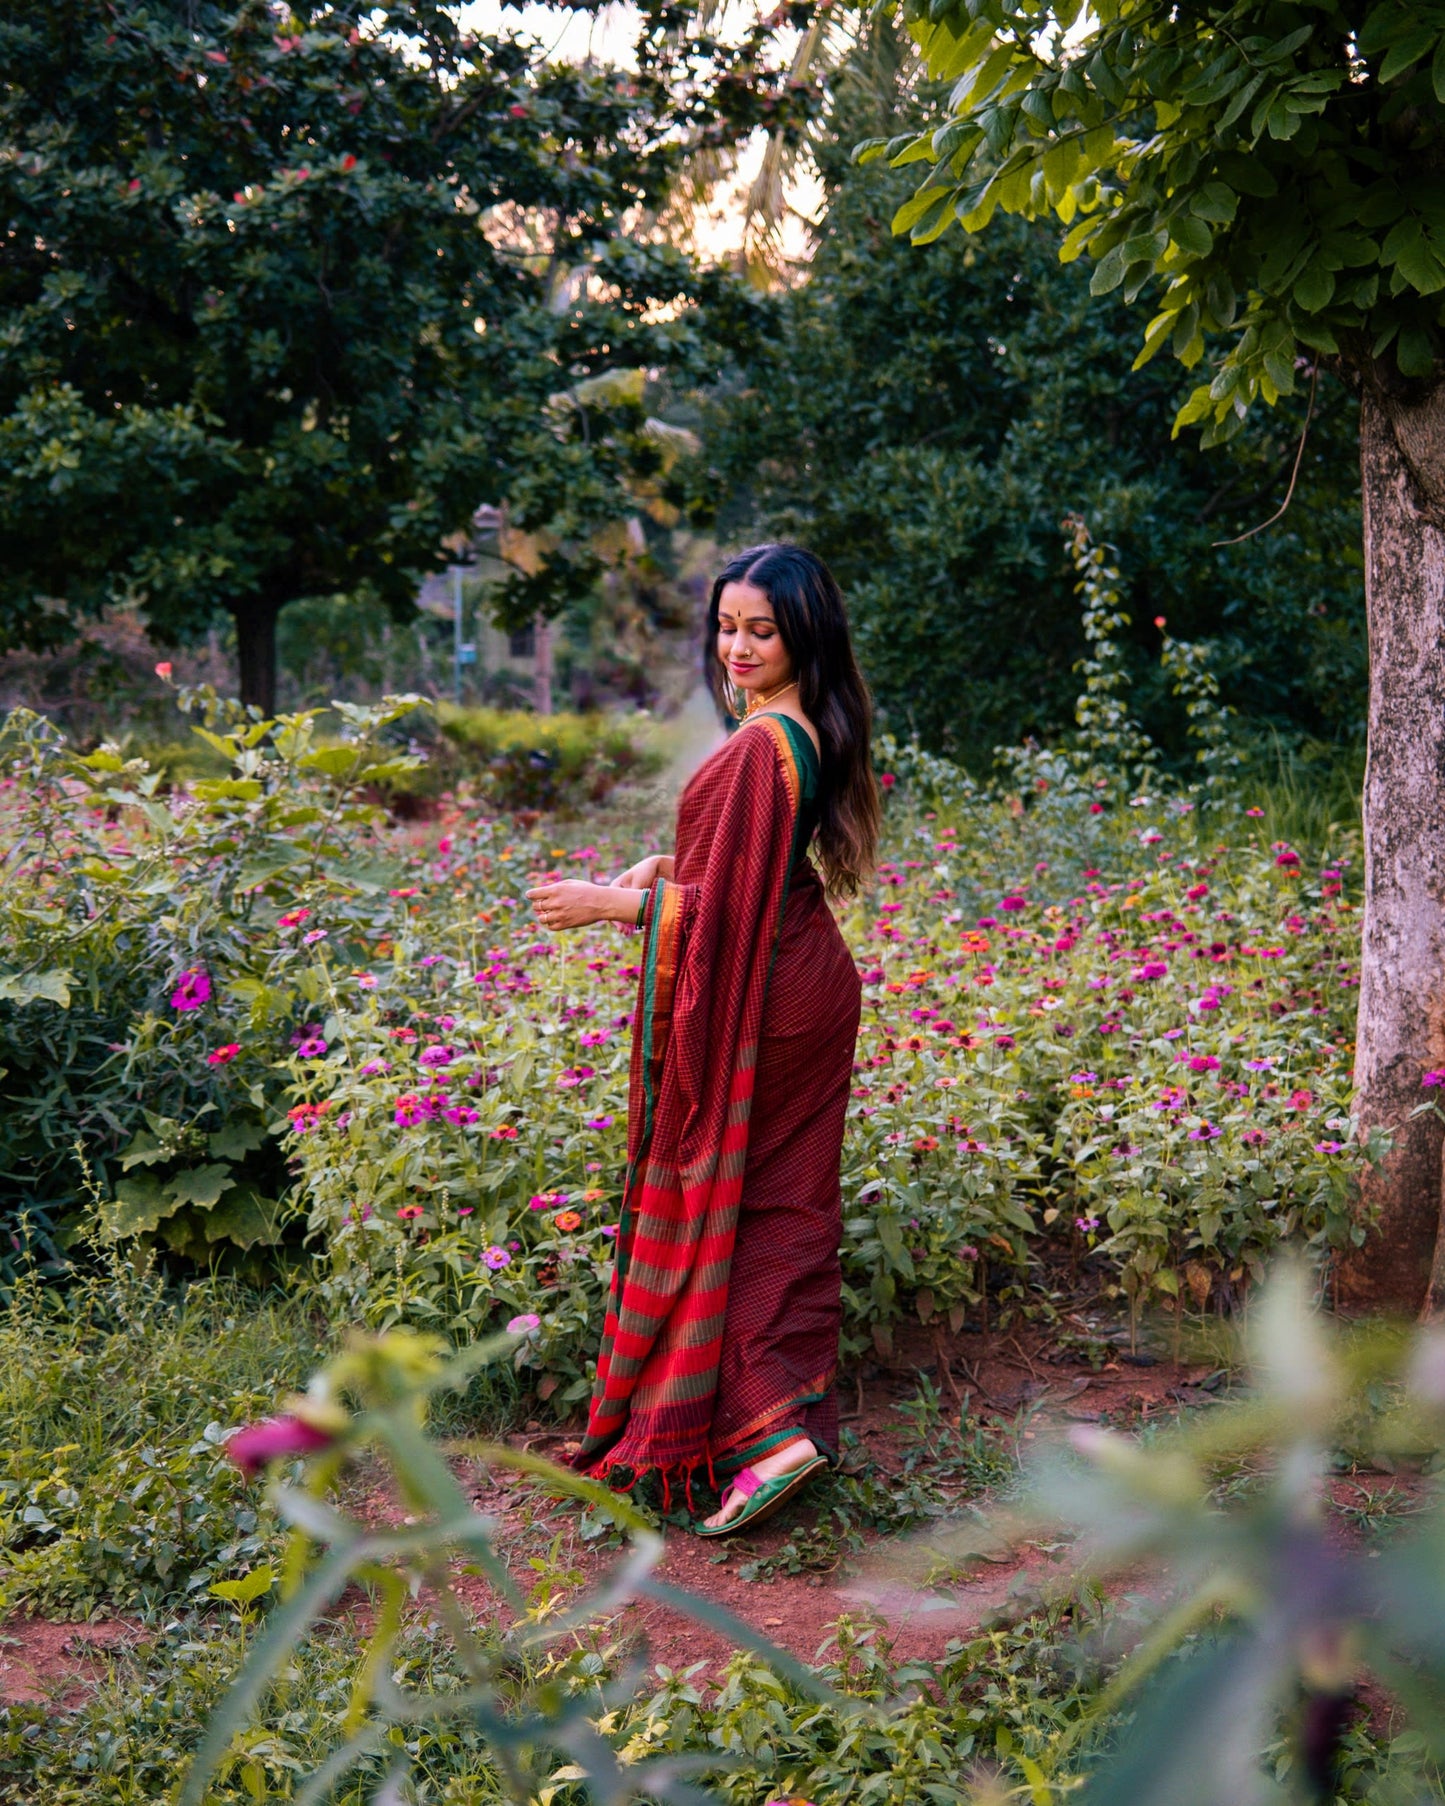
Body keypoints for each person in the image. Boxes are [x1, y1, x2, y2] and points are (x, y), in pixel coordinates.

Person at [526, 544, 878, 1536]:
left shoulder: (768, 744)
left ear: (802, 634)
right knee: (778, 1198)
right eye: (724, 627)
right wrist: (658, 865)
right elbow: (747, 870)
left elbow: (726, 916)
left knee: (744, 1199)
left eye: (759, 630)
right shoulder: (797, 730)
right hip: (802, 978)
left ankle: (762, 1442)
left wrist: (608, 905)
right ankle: (773, 1428)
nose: (735, 647)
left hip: (776, 991)